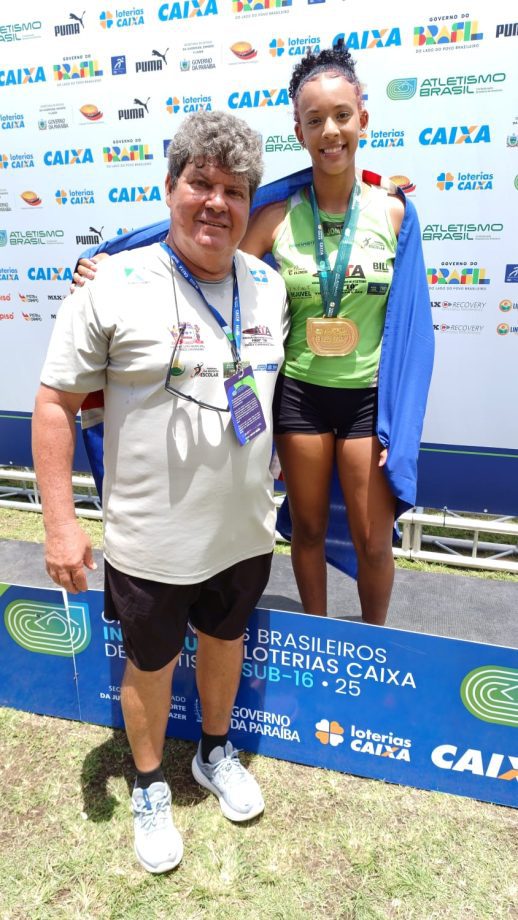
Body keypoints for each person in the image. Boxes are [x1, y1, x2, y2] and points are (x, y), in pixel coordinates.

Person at [74, 46, 433, 626]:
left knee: (373, 538)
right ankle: (318, 635)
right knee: (307, 531)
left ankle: (375, 640)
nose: (330, 131)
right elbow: (199, 249)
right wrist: (113, 262)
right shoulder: (275, 216)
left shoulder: (394, 215)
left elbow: (413, 329)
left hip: (369, 398)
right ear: (299, 131)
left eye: (341, 115)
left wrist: (404, 421)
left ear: (362, 119)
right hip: (301, 397)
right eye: (314, 120)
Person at [32, 110, 288, 874]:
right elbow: (55, 403)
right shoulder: (113, 284)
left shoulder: (268, 287)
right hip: (151, 538)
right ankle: (148, 783)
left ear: (249, 203)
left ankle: (214, 751)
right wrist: (59, 524)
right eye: (200, 183)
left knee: (226, 640)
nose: (217, 202)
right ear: (170, 187)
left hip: (243, 530)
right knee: (149, 663)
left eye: (234, 190)